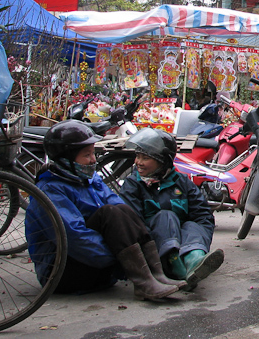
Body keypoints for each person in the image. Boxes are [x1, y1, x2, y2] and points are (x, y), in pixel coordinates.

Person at [25, 120, 184, 300]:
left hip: (96, 269)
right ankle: (144, 282)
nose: (93, 159)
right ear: (66, 159)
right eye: (87, 155)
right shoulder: (50, 190)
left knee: (121, 209)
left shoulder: (87, 177)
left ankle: (155, 273)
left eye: (93, 153)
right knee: (109, 212)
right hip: (61, 274)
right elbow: (75, 238)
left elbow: (116, 204)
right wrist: (118, 257)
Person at [119, 128, 224, 290]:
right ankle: (175, 266)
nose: (138, 162)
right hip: (157, 249)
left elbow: (203, 215)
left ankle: (194, 260)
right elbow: (134, 223)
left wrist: (198, 237)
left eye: (145, 158)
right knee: (166, 217)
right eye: (138, 156)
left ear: (162, 161)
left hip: (184, 241)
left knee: (193, 225)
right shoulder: (132, 185)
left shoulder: (181, 181)